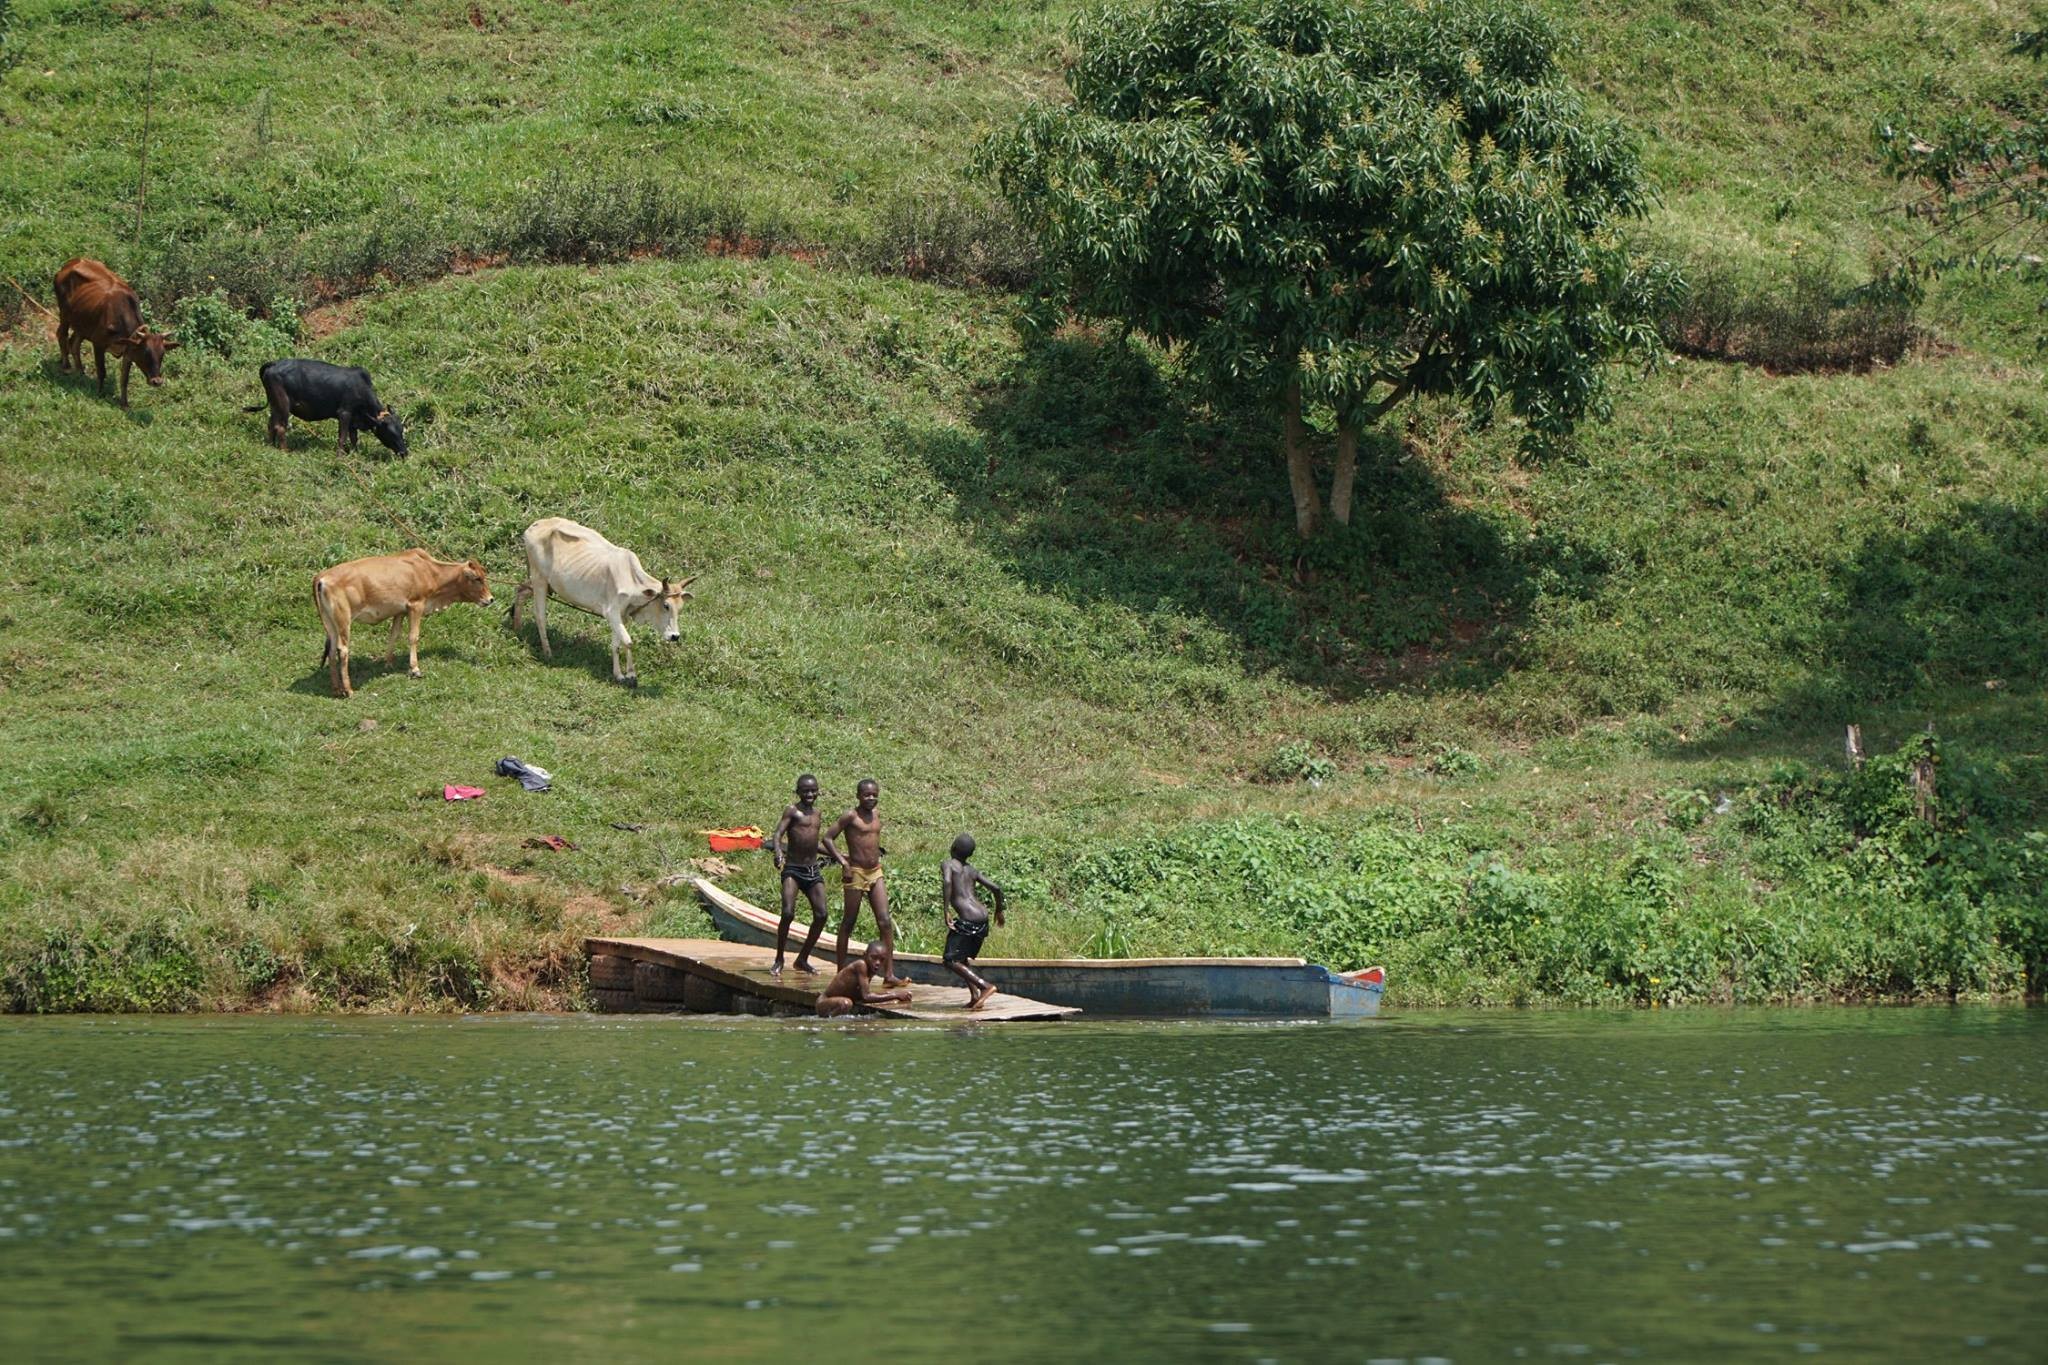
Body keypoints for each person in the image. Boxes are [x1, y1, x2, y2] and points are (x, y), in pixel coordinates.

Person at [824, 778, 907, 985]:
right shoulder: (850, 816)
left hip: (875, 871)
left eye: (874, 795)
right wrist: (843, 862)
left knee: (885, 921)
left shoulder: (876, 814)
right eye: (867, 795)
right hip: (856, 872)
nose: (871, 798)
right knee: (848, 922)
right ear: (858, 796)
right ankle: (841, 973)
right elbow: (827, 838)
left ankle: (888, 974)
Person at [769, 773, 842, 976]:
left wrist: (840, 855)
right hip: (793, 869)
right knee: (788, 913)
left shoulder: (817, 813)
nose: (810, 794)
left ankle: (802, 958)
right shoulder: (792, 811)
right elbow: (777, 834)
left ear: (818, 791)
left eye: (813, 790)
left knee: (822, 915)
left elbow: (813, 843)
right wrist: (778, 853)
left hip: (812, 870)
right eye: (805, 790)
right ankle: (779, 958)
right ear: (798, 792)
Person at [940, 833, 1005, 1011]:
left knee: (950, 960)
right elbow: (996, 888)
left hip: (968, 919)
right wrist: (999, 910)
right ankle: (975, 995)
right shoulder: (972, 870)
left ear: (952, 848)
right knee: (962, 958)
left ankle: (985, 987)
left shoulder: (948, 864)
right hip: (982, 919)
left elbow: (947, 882)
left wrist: (946, 910)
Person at [815, 942, 913, 1018]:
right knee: (845, 1003)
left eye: (882, 960)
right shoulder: (861, 965)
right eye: (873, 958)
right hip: (824, 1002)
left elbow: (864, 996)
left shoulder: (869, 970)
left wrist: (896, 996)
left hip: (836, 1001)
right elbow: (866, 997)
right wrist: (895, 995)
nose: (877, 963)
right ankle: (827, 1024)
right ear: (865, 955)